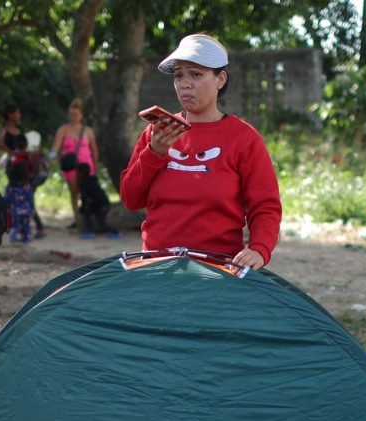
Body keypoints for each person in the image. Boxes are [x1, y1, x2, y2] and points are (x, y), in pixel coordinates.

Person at [120, 34, 281, 270]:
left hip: (218, 270)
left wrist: (259, 249)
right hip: (156, 266)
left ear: (220, 79)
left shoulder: (244, 139)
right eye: (178, 75)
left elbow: (265, 206)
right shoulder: (157, 133)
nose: (185, 83)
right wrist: (154, 152)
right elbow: (130, 199)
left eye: (196, 74)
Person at [49, 98, 98, 230]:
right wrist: (49, 157)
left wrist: (96, 167)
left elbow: (94, 151)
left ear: (81, 115)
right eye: (71, 114)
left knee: (87, 193)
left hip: (87, 167)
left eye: (76, 114)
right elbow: (55, 148)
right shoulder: (63, 129)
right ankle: (77, 219)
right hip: (70, 166)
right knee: (74, 192)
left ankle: (88, 218)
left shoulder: (88, 131)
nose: (73, 117)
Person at [75, 162, 119, 239]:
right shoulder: (92, 180)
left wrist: (82, 209)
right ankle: (89, 231)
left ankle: (114, 232)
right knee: (87, 213)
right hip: (100, 204)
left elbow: (85, 198)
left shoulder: (84, 183)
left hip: (102, 205)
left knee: (100, 222)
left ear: (81, 173)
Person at [5, 157, 33, 243]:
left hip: (14, 211)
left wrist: (6, 208)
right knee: (26, 226)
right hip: (26, 211)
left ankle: (14, 238)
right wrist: (32, 209)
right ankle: (26, 239)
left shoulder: (10, 187)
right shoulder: (27, 187)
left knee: (15, 226)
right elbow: (31, 199)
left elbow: (6, 199)